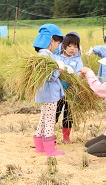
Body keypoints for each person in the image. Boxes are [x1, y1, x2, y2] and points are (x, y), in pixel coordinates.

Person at [32, 24, 66, 156]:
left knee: (43, 118)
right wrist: (59, 70)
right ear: (51, 40)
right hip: (50, 93)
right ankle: (50, 149)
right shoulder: (47, 56)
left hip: (43, 93)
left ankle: (40, 146)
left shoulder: (40, 54)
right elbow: (50, 76)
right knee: (50, 120)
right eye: (58, 43)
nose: (58, 46)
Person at [55, 32, 83, 143]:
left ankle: (66, 137)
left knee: (68, 114)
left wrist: (78, 75)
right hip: (57, 91)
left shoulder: (77, 60)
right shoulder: (57, 58)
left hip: (71, 91)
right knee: (55, 112)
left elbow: (79, 72)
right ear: (63, 46)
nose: (72, 49)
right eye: (70, 46)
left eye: (75, 47)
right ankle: (49, 134)